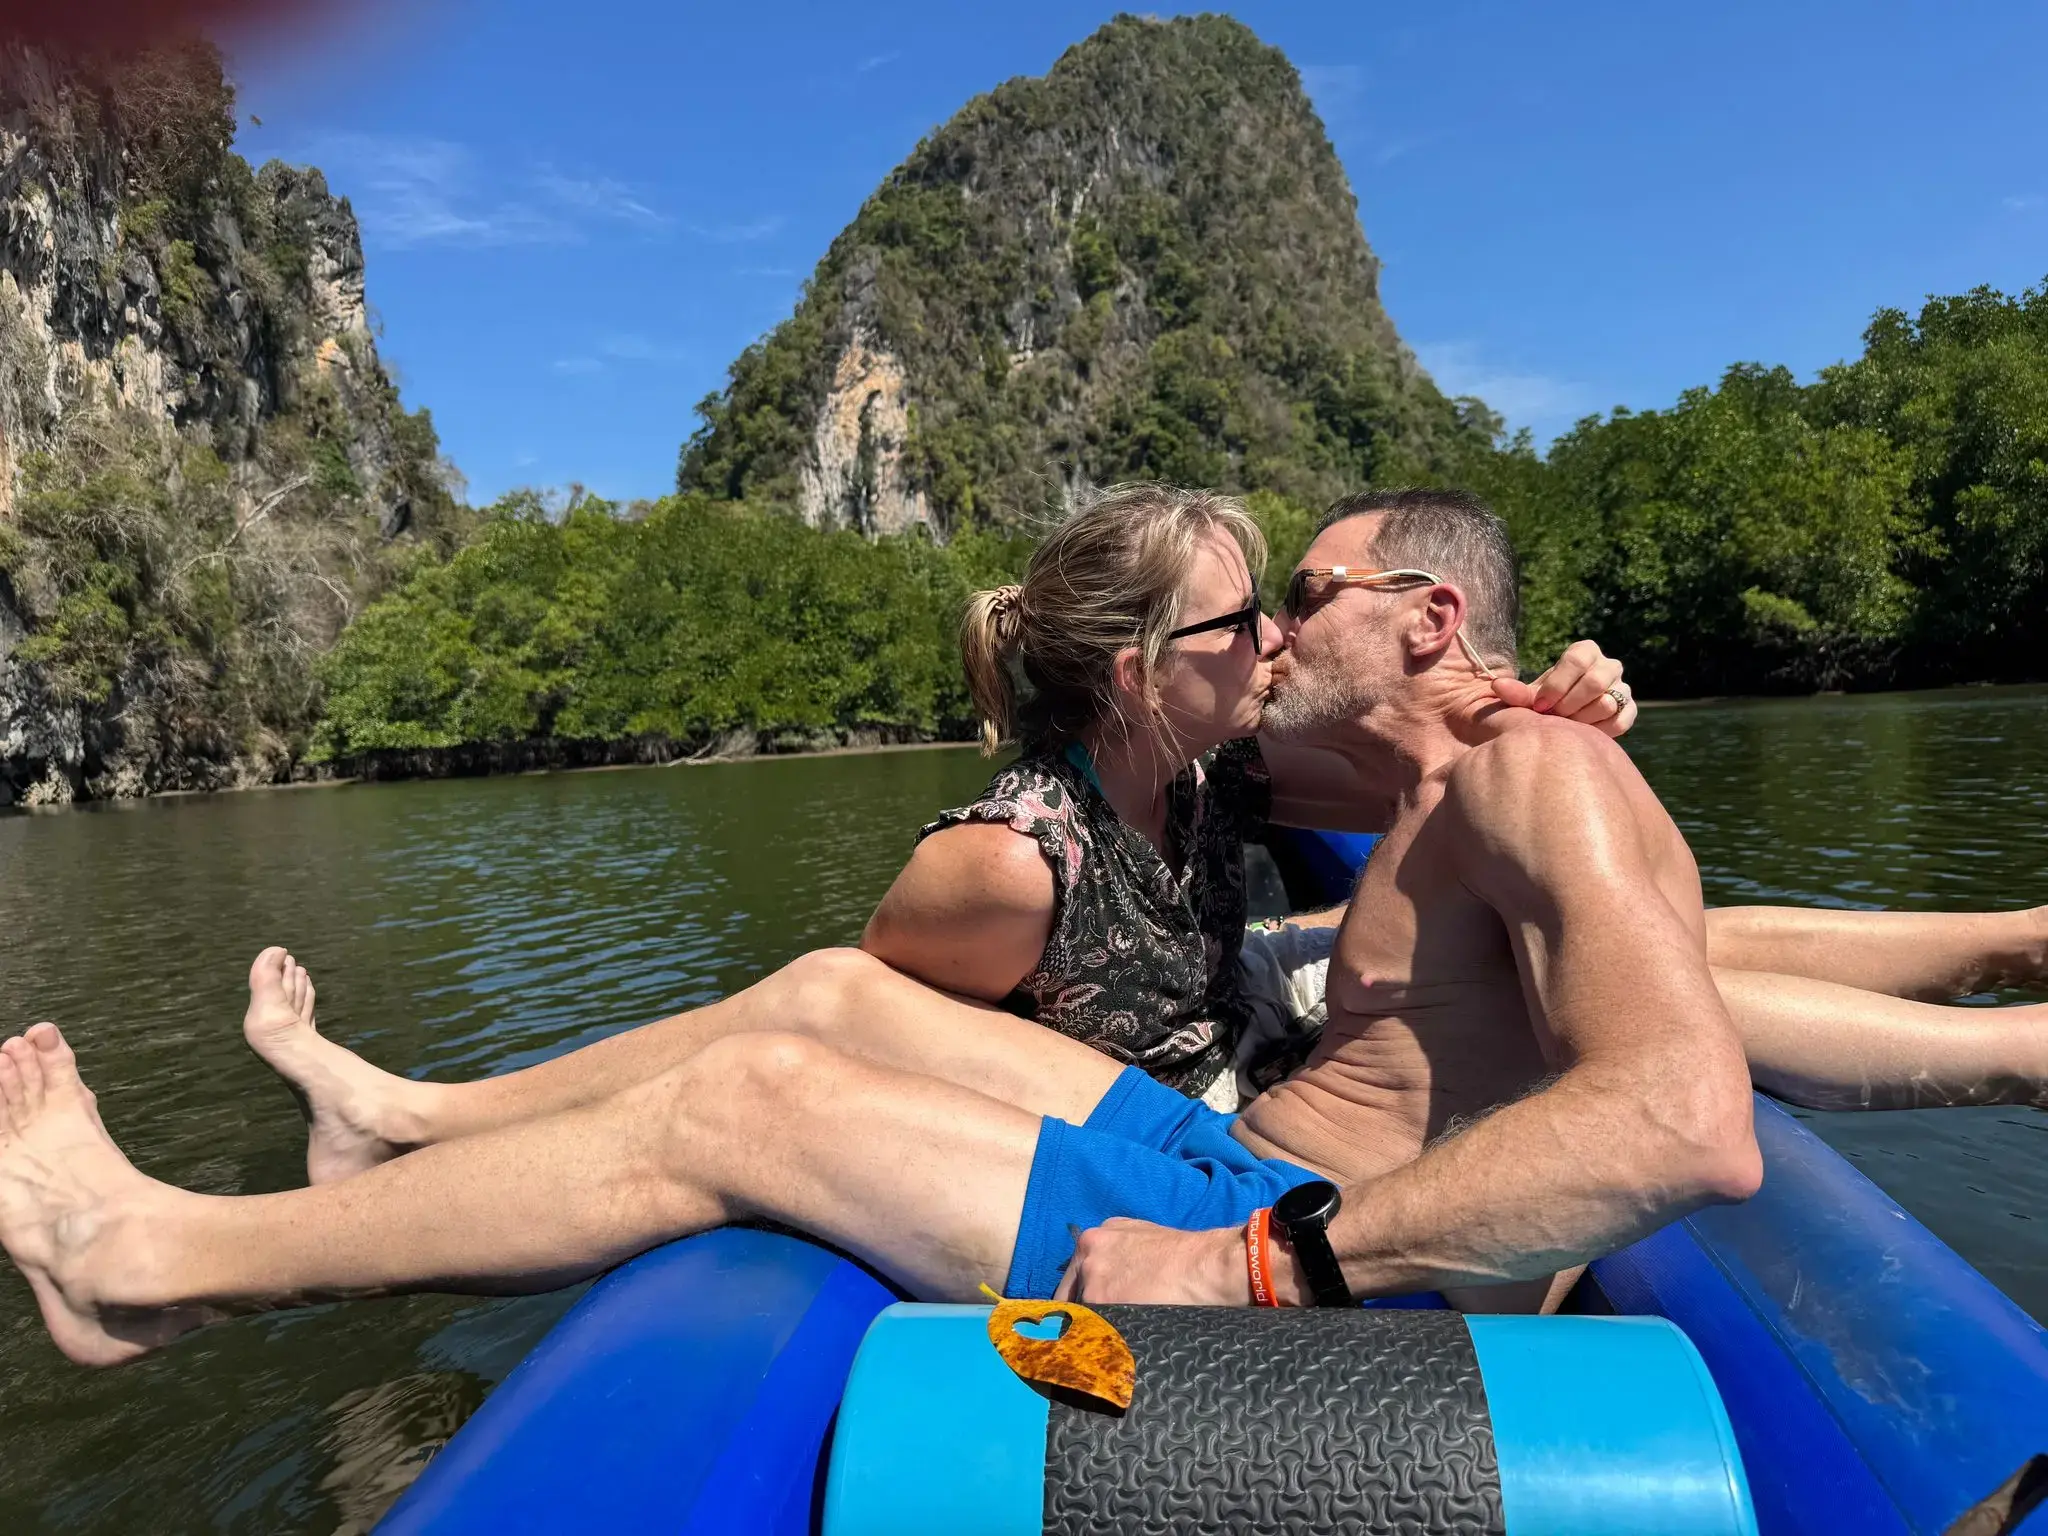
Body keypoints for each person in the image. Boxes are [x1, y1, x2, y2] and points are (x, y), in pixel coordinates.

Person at [0, 488, 1803, 1364]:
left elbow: (1686, 1115)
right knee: (818, 1001)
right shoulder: (1438, 781)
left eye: (1294, 602)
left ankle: (148, 1259)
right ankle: (395, 1115)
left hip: (1300, 1245)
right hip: (1220, 1151)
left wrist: (1259, 1267)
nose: (1271, 639)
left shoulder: (1527, 774)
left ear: (1420, 620)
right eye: (1249, 615)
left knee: (749, 1105)